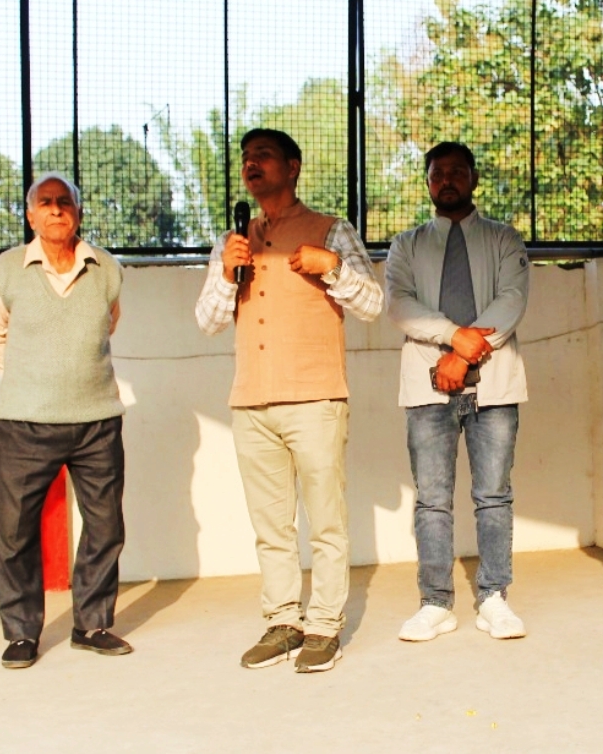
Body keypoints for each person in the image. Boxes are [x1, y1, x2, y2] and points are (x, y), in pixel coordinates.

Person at [195, 129, 382, 673]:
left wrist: (333, 267)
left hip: (315, 398)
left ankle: (323, 626)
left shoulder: (331, 230)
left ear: (293, 166)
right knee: (270, 526)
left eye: (264, 155)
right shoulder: (235, 241)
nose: (251, 164)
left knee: (325, 521)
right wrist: (228, 274)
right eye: (246, 157)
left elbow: (373, 303)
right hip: (251, 401)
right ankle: (282, 621)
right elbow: (207, 320)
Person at [0, 172, 131, 669]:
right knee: (15, 532)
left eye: (64, 201)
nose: (55, 209)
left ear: (78, 212)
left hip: (97, 419)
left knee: (105, 525)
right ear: (30, 215)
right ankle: (21, 633)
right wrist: (32, 384)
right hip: (24, 423)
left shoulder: (106, 269)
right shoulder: (4, 271)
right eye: (44, 202)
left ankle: (92, 625)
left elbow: (107, 326)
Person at [385, 142, 530, 643]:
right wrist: (452, 337)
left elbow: (511, 300)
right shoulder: (406, 245)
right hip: (427, 386)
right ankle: (435, 603)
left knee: (494, 496)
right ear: (427, 182)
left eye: (456, 171)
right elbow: (399, 304)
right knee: (431, 500)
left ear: (473, 178)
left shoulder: (504, 239)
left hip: (494, 383)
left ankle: (494, 598)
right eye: (437, 173)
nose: (446, 180)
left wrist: (463, 355)